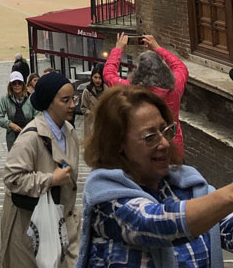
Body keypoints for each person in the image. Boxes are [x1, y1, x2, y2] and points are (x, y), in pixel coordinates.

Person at [76, 84, 233, 268]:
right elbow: (158, 224)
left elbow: (224, 226)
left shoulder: (188, 187)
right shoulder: (107, 199)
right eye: (150, 137)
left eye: (165, 131)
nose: (165, 143)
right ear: (117, 143)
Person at [0, 71, 80, 268]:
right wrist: (50, 179)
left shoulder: (69, 132)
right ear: (49, 102)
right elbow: (11, 177)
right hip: (31, 230)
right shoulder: (31, 137)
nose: (72, 105)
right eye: (65, 100)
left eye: (73, 98)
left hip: (62, 227)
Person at [104, 32, 189, 159]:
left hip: (144, 152)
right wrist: (157, 48)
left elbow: (108, 73)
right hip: (173, 148)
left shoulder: (130, 90)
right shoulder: (175, 87)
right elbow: (180, 67)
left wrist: (118, 49)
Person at [0, 71, 39, 152]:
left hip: (30, 136)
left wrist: (30, 127)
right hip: (13, 138)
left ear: (23, 84)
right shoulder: (6, 99)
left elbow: (38, 116)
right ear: (10, 85)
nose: (17, 85)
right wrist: (10, 124)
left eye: (19, 83)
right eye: (14, 83)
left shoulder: (31, 98)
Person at [80, 64, 104, 138]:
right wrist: (92, 114)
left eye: (100, 78)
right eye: (95, 77)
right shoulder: (87, 91)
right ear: (92, 77)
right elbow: (83, 108)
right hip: (91, 124)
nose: (97, 80)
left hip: (104, 124)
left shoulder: (107, 90)